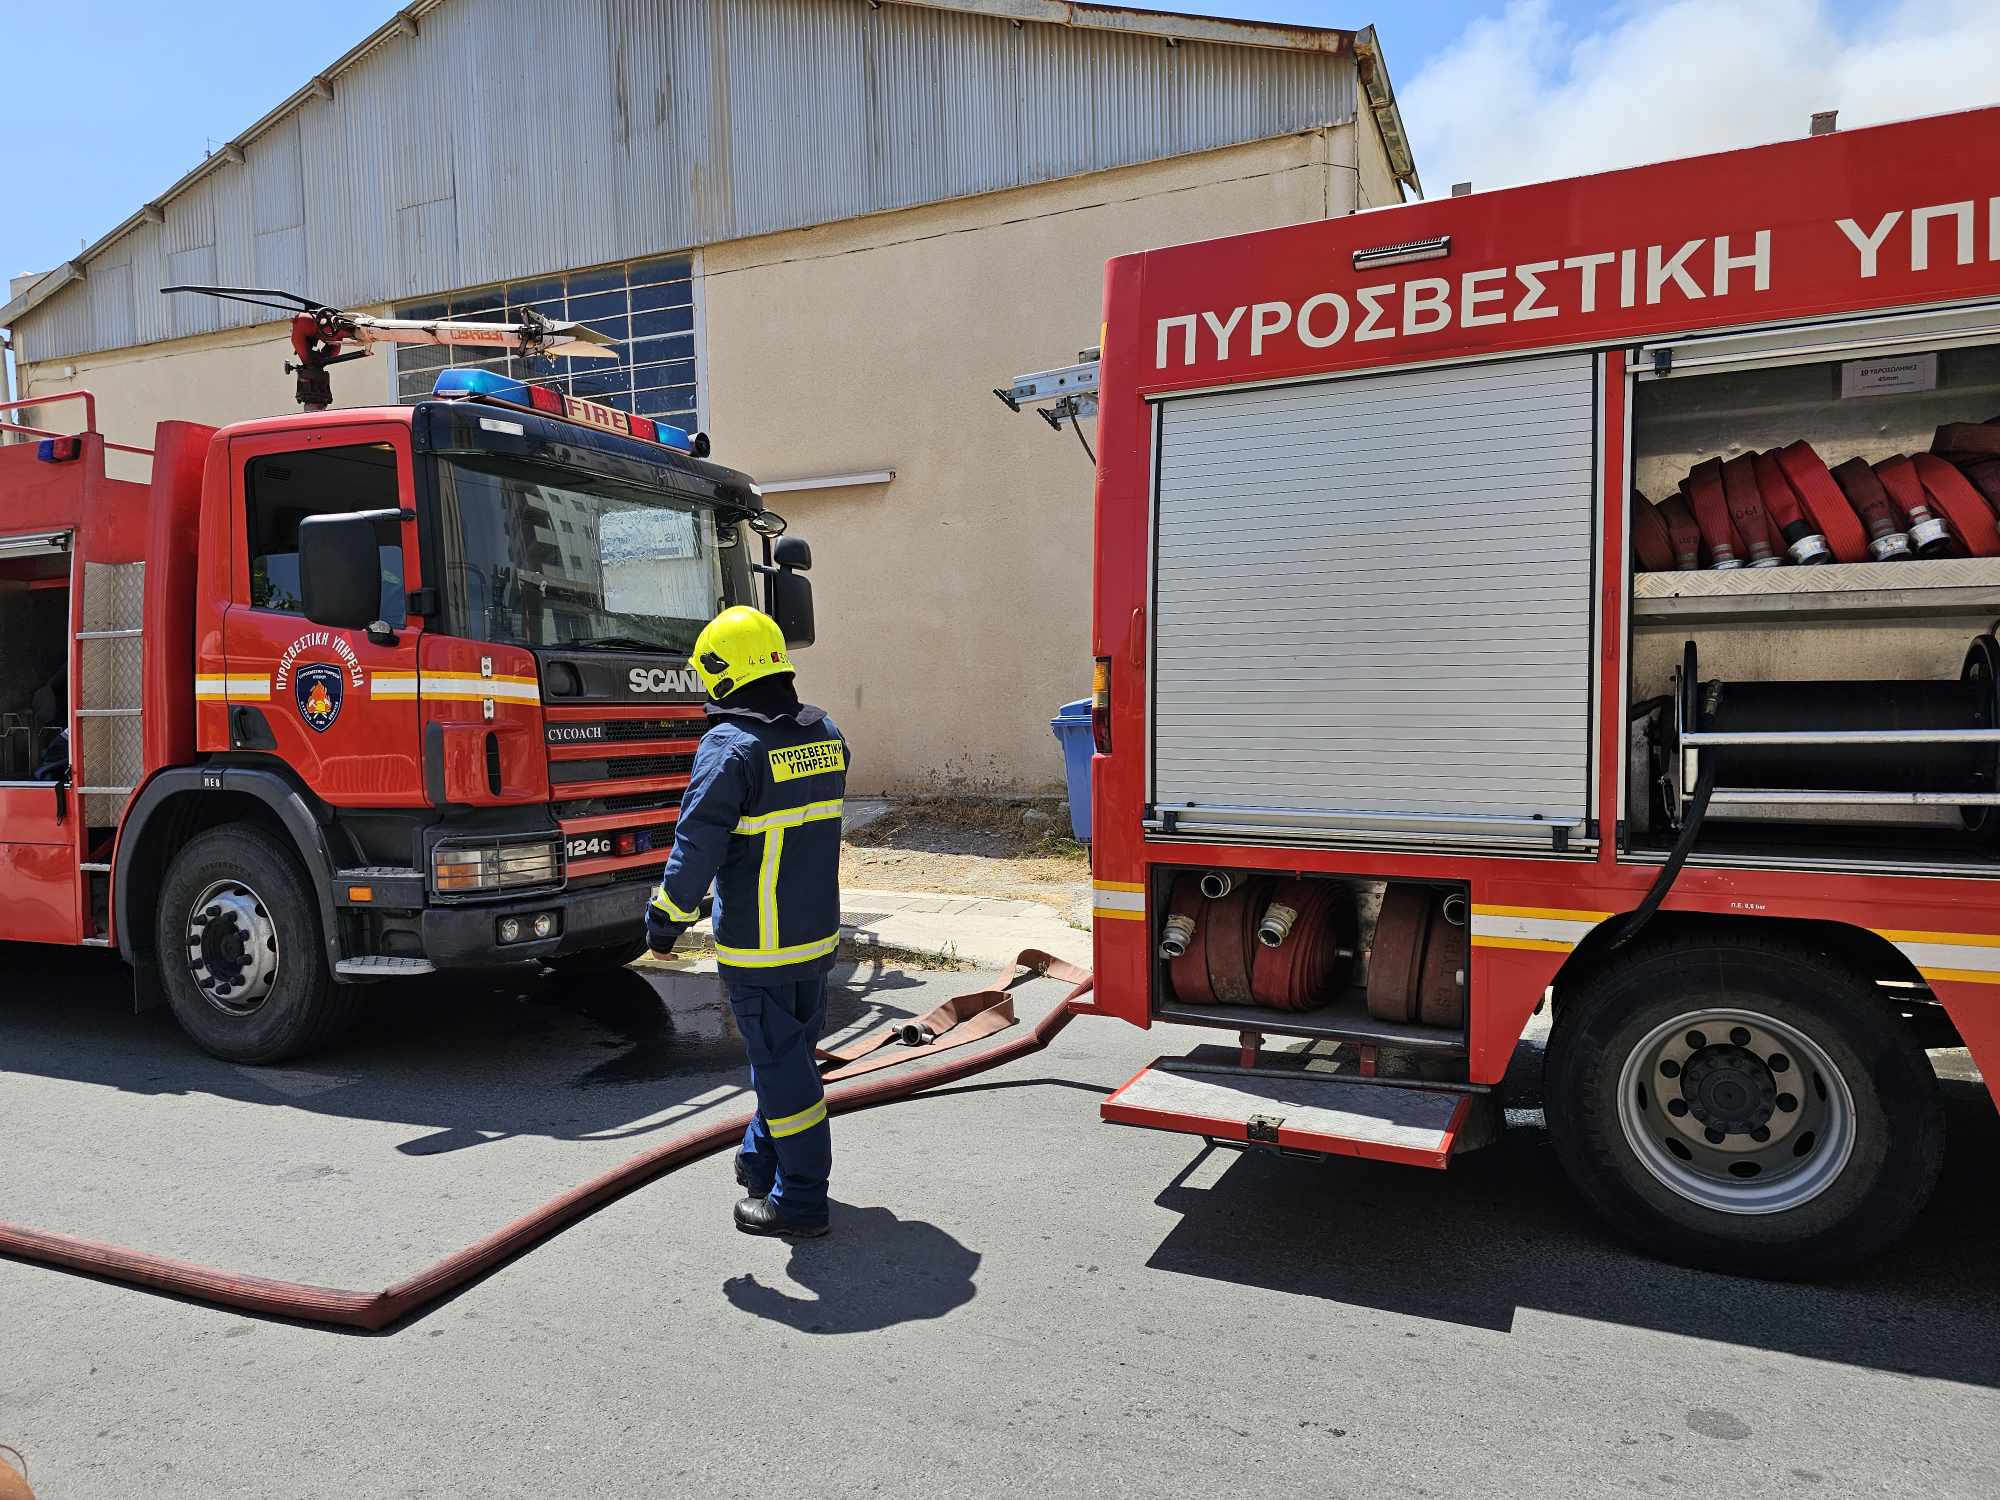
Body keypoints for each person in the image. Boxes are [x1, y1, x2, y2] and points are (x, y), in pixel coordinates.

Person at [646, 606, 848, 1239]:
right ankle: (763, 1162)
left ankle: (802, 1201)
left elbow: (697, 842)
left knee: (785, 1072)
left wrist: (667, 916)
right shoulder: (826, 734)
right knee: (787, 1055)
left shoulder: (730, 748)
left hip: (761, 946)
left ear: (724, 675)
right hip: (817, 937)